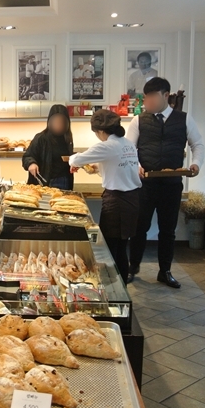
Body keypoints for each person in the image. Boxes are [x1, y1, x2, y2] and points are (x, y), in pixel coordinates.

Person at [127, 77, 204, 288]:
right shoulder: (138, 120)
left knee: (168, 230)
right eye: (146, 97)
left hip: (171, 184)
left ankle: (165, 271)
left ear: (166, 96)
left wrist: (196, 164)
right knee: (139, 228)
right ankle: (132, 267)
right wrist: (136, 165)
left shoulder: (184, 119)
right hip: (145, 184)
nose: (147, 102)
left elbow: (197, 144)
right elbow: (129, 149)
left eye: (151, 97)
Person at [69, 110, 142, 283]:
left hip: (116, 203)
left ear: (100, 131)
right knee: (121, 247)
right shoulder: (127, 144)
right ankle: (121, 286)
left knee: (109, 249)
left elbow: (75, 160)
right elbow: (119, 167)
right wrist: (96, 168)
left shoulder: (106, 146)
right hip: (132, 201)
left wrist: (73, 160)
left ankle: (113, 288)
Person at [23, 104, 74, 190]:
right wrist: (31, 164)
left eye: (61, 122)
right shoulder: (41, 138)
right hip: (45, 181)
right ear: (50, 122)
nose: (58, 125)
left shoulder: (67, 138)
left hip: (64, 181)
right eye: (56, 122)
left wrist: (75, 161)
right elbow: (27, 156)